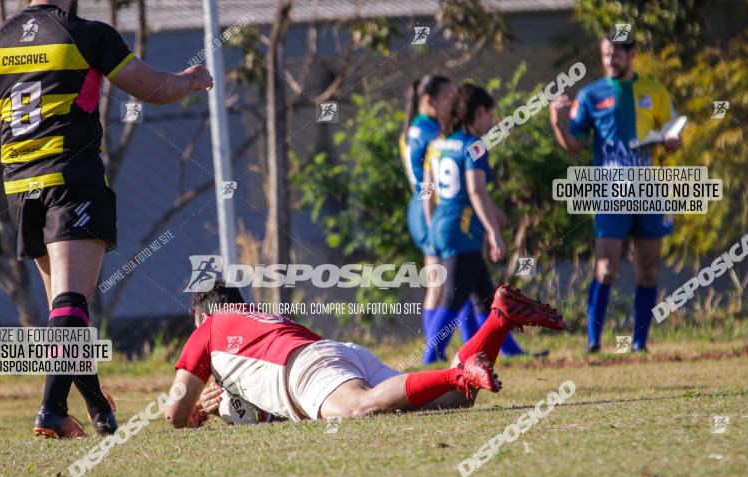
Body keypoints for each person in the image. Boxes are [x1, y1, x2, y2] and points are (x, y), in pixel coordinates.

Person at [0, 0, 214, 438]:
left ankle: (99, 407)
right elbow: (154, 88)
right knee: (71, 306)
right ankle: (52, 410)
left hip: (21, 189)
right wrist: (191, 79)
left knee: (65, 308)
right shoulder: (87, 35)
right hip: (71, 182)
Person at [164, 280, 565, 428]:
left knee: (357, 409)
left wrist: (194, 411)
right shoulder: (260, 319)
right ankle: (499, 319)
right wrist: (219, 408)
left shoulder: (209, 330)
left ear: (203, 317)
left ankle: (460, 372)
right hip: (334, 354)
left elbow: (174, 414)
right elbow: (267, 409)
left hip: (307, 369)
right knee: (454, 402)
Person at [549, 35, 680, 353]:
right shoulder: (591, 95)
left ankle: (639, 343)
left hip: (648, 190)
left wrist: (671, 140)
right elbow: (576, 146)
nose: (610, 60)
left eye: (616, 54)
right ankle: (593, 341)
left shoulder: (655, 91)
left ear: (631, 54)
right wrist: (557, 124)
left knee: (648, 267)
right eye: (606, 54)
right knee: (606, 266)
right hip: (610, 192)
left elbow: (673, 131)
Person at [420, 83, 528, 363]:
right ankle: (430, 357)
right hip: (462, 227)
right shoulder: (474, 147)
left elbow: (429, 188)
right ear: (479, 112)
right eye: (490, 115)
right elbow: (476, 191)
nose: (491, 122)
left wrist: (433, 225)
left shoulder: (438, 144)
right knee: (453, 299)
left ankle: (510, 350)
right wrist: (494, 232)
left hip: (442, 222)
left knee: (486, 295)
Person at [399, 75, 455, 351]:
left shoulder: (425, 126)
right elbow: (427, 181)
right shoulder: (425, 131)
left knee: (448, 283)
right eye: (448, 97)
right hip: (427, 207)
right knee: (441, 283)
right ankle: (432, 353)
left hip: (426, 207)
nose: (453, 103)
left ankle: (438, 351)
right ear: (430, 100)